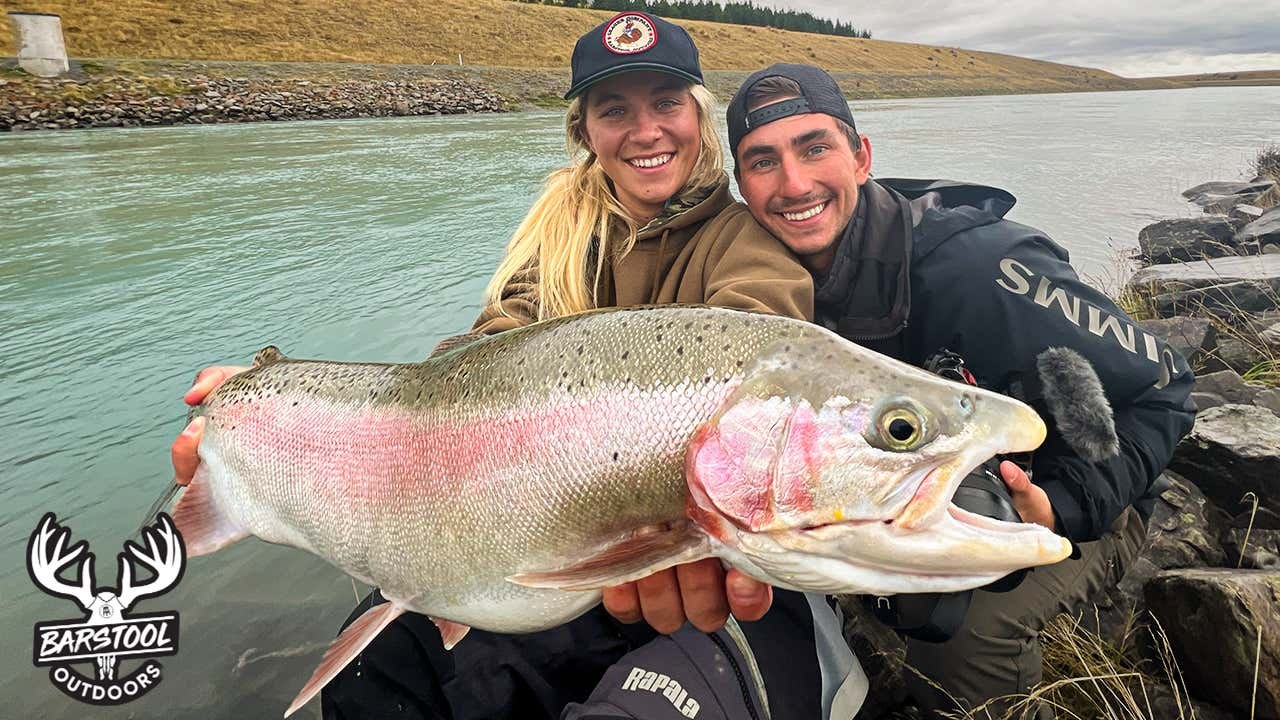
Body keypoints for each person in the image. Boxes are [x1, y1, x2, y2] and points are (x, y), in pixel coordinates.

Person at [167, 15, 862, 720]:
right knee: (385, 667)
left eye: (666, 102)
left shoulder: (747, 244)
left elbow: (762, 343)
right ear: (584, 132)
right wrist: (273, 411)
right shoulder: (554, 233)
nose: (646, 131)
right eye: (614, 111)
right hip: (550, 554)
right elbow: (481, 358)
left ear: (699, 118)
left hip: (703, 568)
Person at [716, 63, 1197, 717]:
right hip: (906, 494)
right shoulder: (762, 286)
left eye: (815, 148)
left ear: (861, 157)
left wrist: (1062, 508)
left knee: (959, 642)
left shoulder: (986, 270)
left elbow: (1166, 385)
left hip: (1077, 498)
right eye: (763, 162)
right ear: (742, 186)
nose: (794, 183)